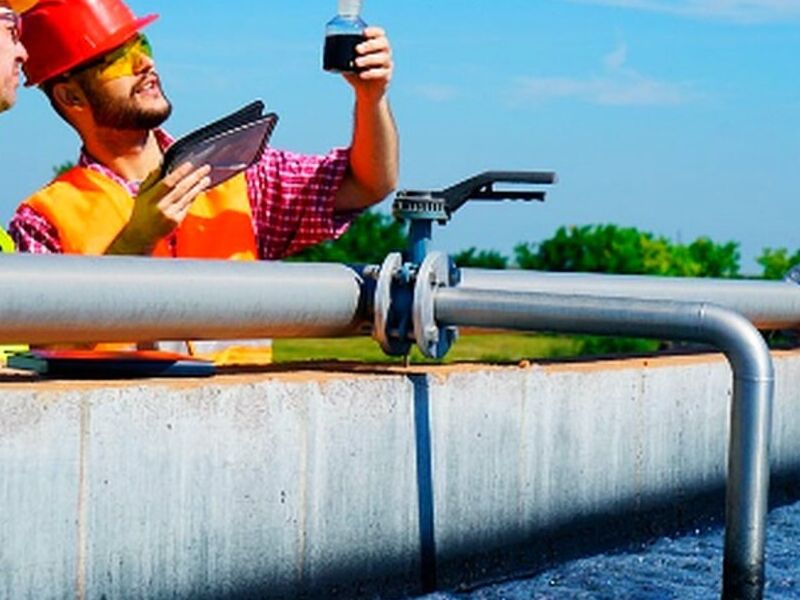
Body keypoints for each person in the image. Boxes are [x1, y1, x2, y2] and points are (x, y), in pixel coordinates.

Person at [8, 0, 398, 363]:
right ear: (71, 96)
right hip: (130, 433)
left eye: (139, 42)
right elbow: (52, 353)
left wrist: (371, 97)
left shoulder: (236, 174)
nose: (144, 62)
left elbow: (367, 183)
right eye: (117, 58)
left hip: (245, 425)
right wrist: (134, 241)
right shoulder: (43, 220)